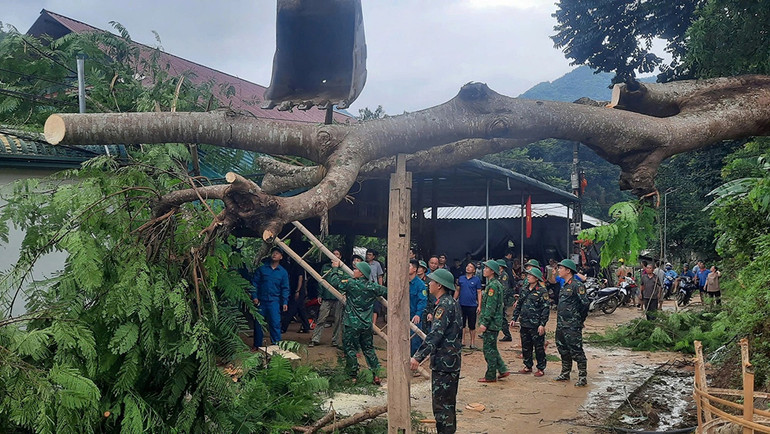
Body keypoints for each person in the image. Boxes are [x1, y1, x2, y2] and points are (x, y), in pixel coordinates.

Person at [410, 268, 462, 434]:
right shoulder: (450, 302)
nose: (429, 283)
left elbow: (435, 336)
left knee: (442, 407)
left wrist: (417, 357)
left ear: (439, 285)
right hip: (450, 361)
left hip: (444, 363)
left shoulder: (444, 306)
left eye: (432, 281)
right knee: (448, 404)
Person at [327, 259, 387, 385]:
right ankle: (376, 374)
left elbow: (335, 282)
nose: (354, 271)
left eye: (356, 269)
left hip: (351, 324)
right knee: (369, 349)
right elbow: (386, 291)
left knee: (350, 349)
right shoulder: (373, 287)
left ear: (361, 273)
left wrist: (335, 268)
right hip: (366, 324)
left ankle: (352, 376)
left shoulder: (351, 284)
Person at [554, 259, 590, 387]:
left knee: (576, 350)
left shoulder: (577, 285)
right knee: (562, 348)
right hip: (561, 324)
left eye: (561, 268)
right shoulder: (565, 285)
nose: (559, 270)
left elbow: (585, 304)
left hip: (572, 325)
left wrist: (579, 319)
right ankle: (565, 373)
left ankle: (582, 376)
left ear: (568, 270)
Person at [511, 267, 550, 377]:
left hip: (536, 324)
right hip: (524, 323)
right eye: (527, 275)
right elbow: (519, 305)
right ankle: (528, 366)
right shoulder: (524, 289)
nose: (528, 276)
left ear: (536, 278)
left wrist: (542, 324)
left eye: (530, 275)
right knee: (526, 346)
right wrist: (514, 318)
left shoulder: (542, 291)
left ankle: (541, 368)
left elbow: (545, 309)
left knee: (538, 347)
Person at [250, 247, 290, 348]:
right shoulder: (262, 268)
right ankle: (257, 345)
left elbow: (285, 288)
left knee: (275, 323)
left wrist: (285, 302)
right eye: (273, 253)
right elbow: (254, 283)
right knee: (258, 323)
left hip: (274, 301)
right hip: (261, 301)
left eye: (277, 253)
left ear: (281, 257)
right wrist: (254, 296)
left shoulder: (283, 272)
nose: (274, 254)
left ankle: (276, 345)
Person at [477, 259, 509, 382]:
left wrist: (484, 322)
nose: (484, 270)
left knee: (488, 349)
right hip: (494, 322)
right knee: (492, 348)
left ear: (492, 271)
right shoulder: (495, 284)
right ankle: (502, 369)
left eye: (486, 268)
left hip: (491, 323)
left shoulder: (493, 286)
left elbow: (490, 306)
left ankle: (490, 375)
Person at [310, 248, 344, 347]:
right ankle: (315, 339)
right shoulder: (325, 267)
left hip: (339, 298)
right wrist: (319, 294)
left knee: (338, 320)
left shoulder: (343, 269)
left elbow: (345, 282)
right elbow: (321, 282)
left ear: (340, 257)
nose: (335, 255)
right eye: (333, 253)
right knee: (321, 319)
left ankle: (336, 341)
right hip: (326, 297)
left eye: (337, 254)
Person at [454, 262, 482, 350]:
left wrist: (479, 305)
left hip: (472, 305)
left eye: (470, 267)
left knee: (472, 325)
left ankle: (472, 342)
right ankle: (462, 341)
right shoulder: (461, 279)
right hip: (461, 304)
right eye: (467, 266)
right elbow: (457, 290)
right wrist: (453, 301)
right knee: (462, 324)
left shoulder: (477, 280)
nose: (468, 268)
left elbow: (479, 292)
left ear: (474, 270)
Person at [281, 260, 310, 334]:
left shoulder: (298, 266)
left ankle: (283, 327)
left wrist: (298, 290)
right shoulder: (292, 265)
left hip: (298, 291)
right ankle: (306, 326)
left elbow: (301, 278)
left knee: (292, 309)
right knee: (301, 309)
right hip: (296, 290)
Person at [408, 259, 428, 356]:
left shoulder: (420, 285)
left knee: (415, 340)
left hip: (414, 316)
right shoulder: (402, 282)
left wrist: (418, 314)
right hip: (403, 316)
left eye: (409, 266)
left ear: (415, 269)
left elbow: (422, 300)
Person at [497, 259, 515, 342]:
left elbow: (505, 289)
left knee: (502, 318)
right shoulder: (498, 275)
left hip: (501, 300)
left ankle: (507, 335)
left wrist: (502, 300)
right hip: (497, 299)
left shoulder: (504, 275)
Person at [366, 249, 385, 326]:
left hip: (375, 286)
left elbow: (380, 276)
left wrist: (380, 287)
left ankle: (373, 325)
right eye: (367, 254)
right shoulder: (363, 264)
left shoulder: (377, 264)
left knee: (375, 306)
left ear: (373, 256)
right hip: (366, 287)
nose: (368, 256)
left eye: (370, 255)